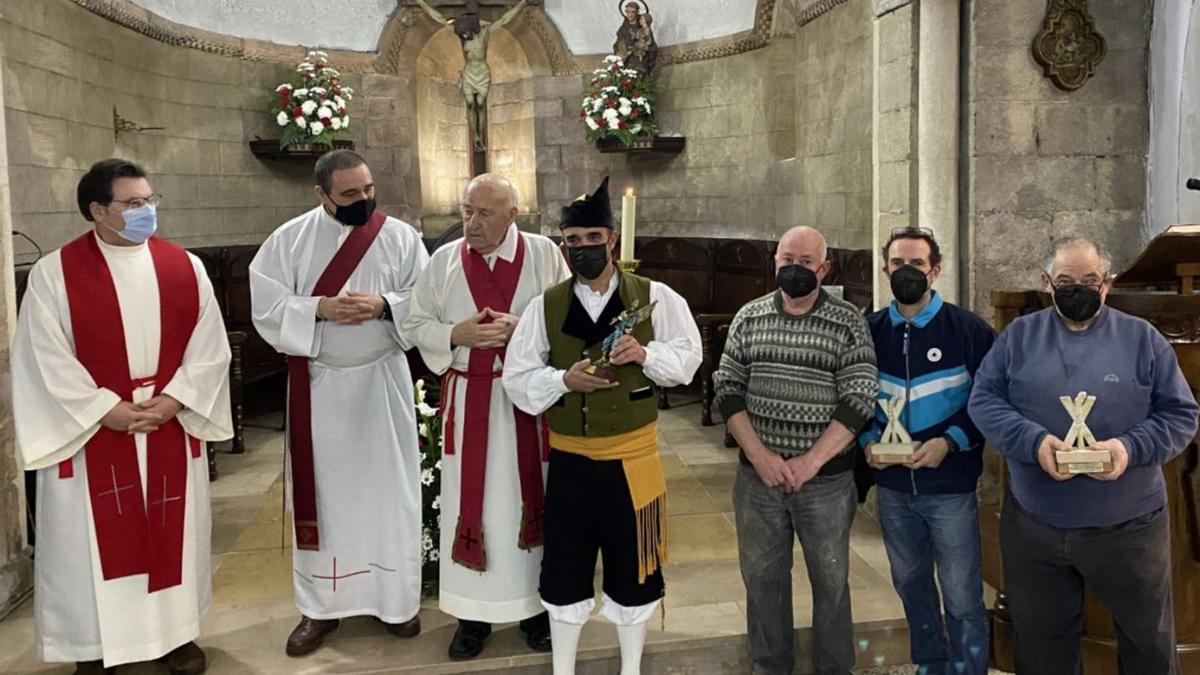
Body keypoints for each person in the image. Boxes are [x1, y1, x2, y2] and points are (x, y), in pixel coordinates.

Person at [13, 158, 233, 675]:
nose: (146, 212)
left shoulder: (185, 266)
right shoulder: (54, 274)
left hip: (166, 425)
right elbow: (44, 356)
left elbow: (210, 347)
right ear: (97, 210)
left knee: (171, 535)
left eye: (150, 201)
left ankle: (175, 636)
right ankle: (92, 644)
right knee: (88, 547)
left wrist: (176, 399)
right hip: (94, 432)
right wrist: (103, 409)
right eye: (133, 204)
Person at [968, 236, 1199, 675]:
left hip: (1128, 530)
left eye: (1089, 280)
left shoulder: (1142, 339)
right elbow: (984, 401)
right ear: (1046, 283)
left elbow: (1181, 414)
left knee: (1148, 645)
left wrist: (1128, 448)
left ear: (1107, 284)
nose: (1078, 289)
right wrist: (1033, 442)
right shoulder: (1019, 336)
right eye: (1066, 281)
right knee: (1041, 649)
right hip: (1036, 527)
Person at [502, 176, 702, 675]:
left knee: (634, 569)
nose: (584, 250)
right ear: (562, 245)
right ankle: (563, 670)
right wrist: (563, 380)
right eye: (573, 242)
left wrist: (646, 352)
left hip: (633, 464)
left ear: (612, 239)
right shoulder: (545, 305)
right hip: (571, 462)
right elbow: (518, 377)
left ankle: (630, 669)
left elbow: (689, 358)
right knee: (565, 570)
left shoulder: (655, 296)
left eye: (594, 239)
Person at [249, 149, 430, 656]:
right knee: (326, 500)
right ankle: (321, 609)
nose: (364, 200)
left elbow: (427, 296)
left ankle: (396, 602)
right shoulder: (289, 241)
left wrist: (385, 304)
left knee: (390, 493)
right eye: (350, 194)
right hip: (320, 388)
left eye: (368, 189)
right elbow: (267, 307)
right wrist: (320, 309)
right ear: (321, 194)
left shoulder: (399, 237)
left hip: (382, 384)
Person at [404, 173, 569, 658]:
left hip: (526, 405)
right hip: (468, 401)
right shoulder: (442, 262)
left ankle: (535, 609)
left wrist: (526, 328)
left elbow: (568, 320)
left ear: (513, 215)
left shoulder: (542, 255)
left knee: (529, 498)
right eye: (466, 212)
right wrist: (456, 333)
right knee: (468, 505)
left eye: (484, 214)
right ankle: (471, 617)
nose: (471, 224)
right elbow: (415, 323)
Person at [712, 225, 878, 675]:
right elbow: (726, 387)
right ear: (774, 261)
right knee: (763, 582)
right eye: (787, 259)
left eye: (806, 262)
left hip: (824, 482)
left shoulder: (847, 321)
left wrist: (811, 461)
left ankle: (833, 669)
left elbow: (860, 396)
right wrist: (760, 456)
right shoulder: (749, 317)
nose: (794, 269)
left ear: (824, 268)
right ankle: (770, 667)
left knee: (831, 583)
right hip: (757, 481)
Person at [859, 228, 994, 675]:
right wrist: (866, 444)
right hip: (894, 488)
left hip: (948, 486)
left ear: (935, 270)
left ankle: (969, 668)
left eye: (917, 264)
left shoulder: (968, 330)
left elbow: (992, 402)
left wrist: (949, 442)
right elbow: (854, 398)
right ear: (885, 270)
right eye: (898, 264)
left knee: (959, 591)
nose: (907, 272)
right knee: (911, 584)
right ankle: (931, 665)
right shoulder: (869, 331)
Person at [414, 0, 529, 151]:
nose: (465, 32)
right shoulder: (462, 30)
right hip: (468, 72)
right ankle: (476, 137)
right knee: (469, 105)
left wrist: (522, 4)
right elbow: (440, 18)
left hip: (482, 73)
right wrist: (421, 3)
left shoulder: (486, 31)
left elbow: (504, 19)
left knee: (480, 105)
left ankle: (480, 136)